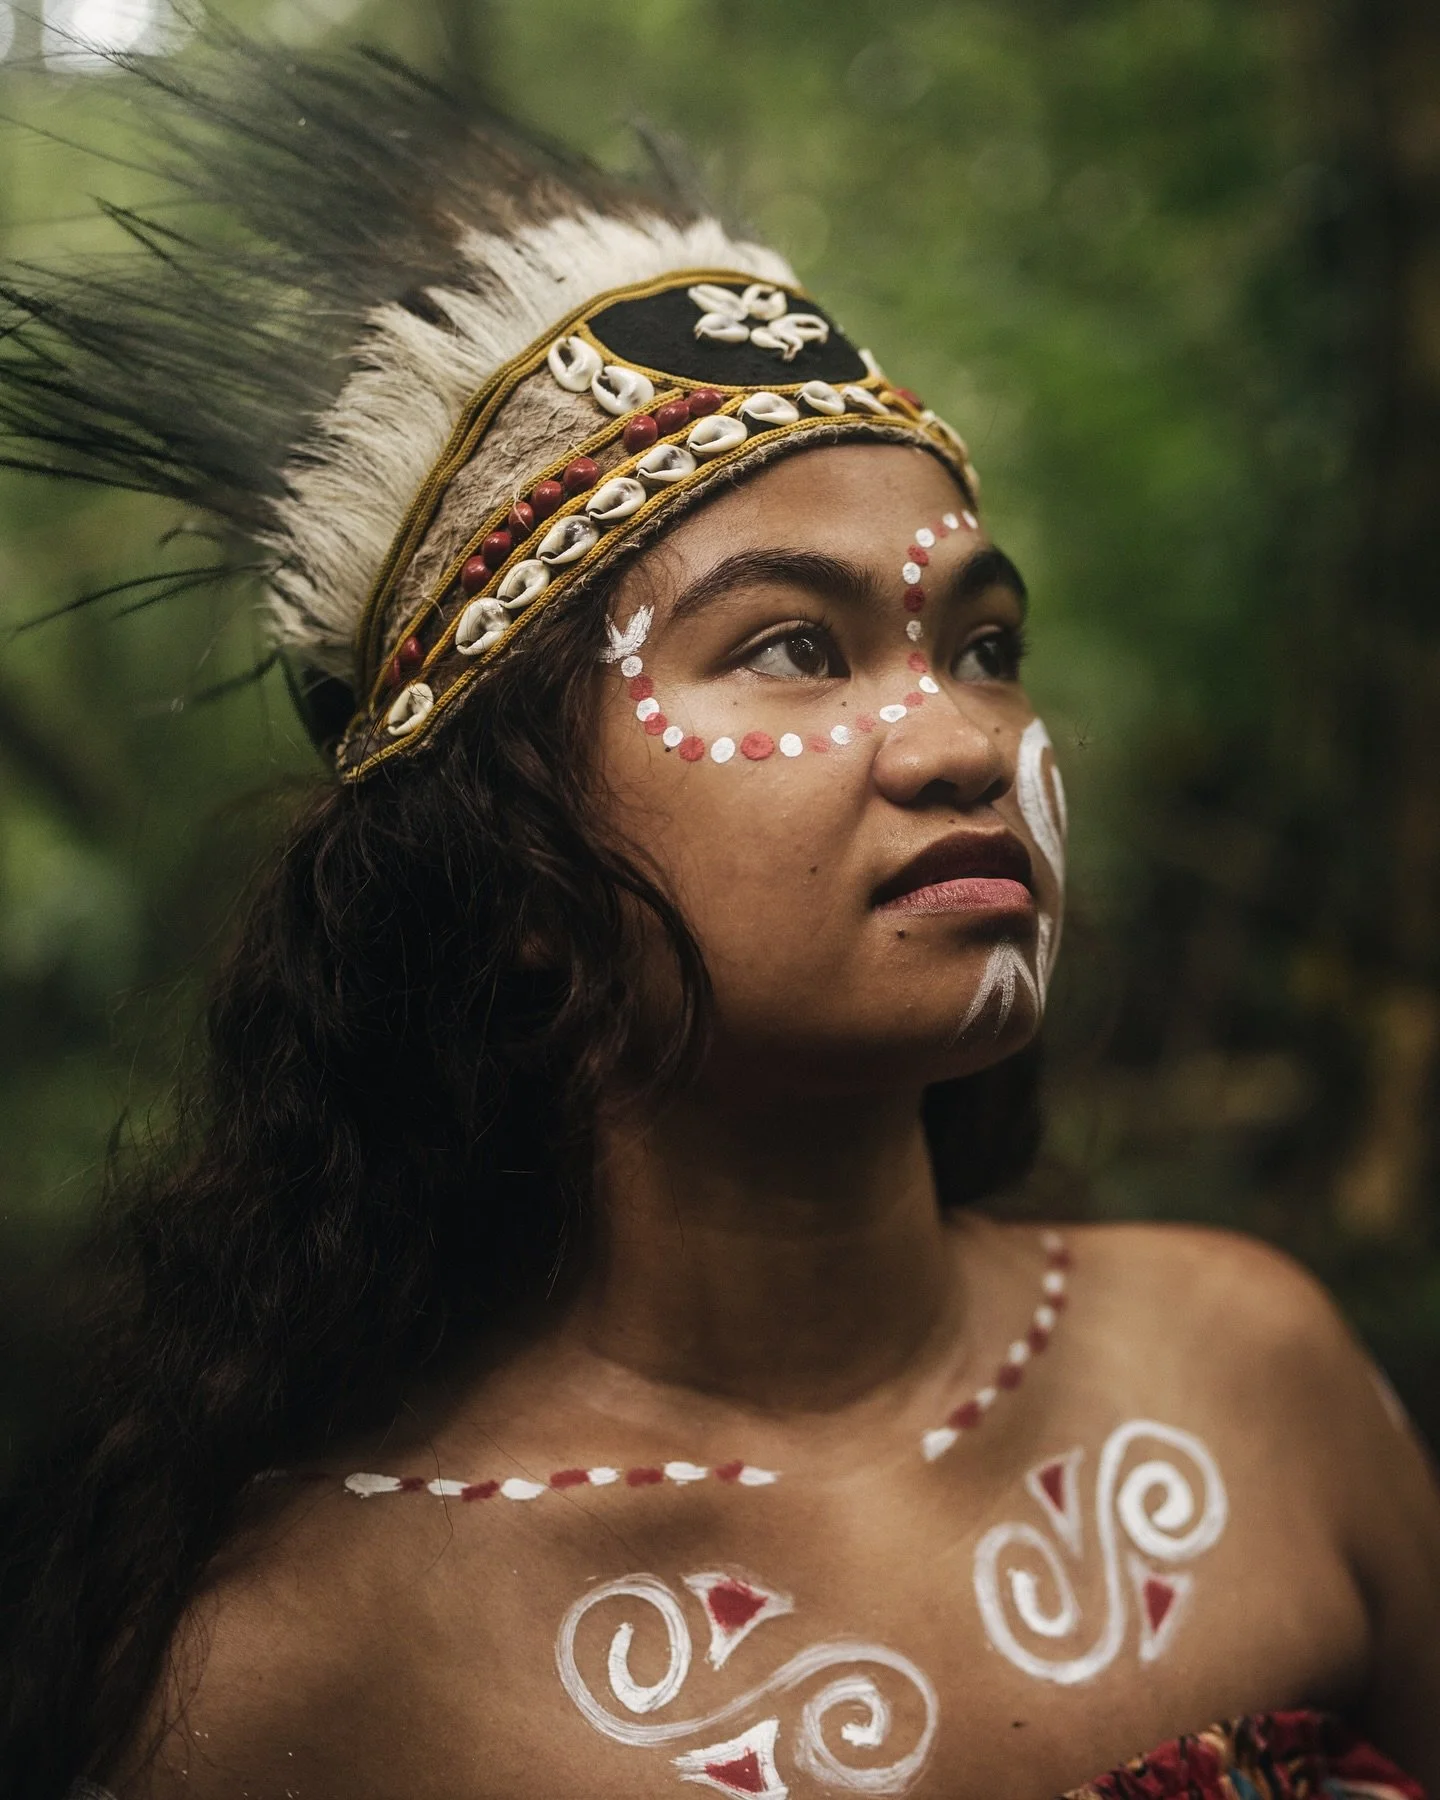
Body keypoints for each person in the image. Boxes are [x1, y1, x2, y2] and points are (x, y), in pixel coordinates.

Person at [0, 35, 1437, 1800]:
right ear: (513, 867)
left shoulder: (1258, 1368)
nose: (962, 739)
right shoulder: (310, 1665)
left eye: (984, 646)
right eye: (790, 648)